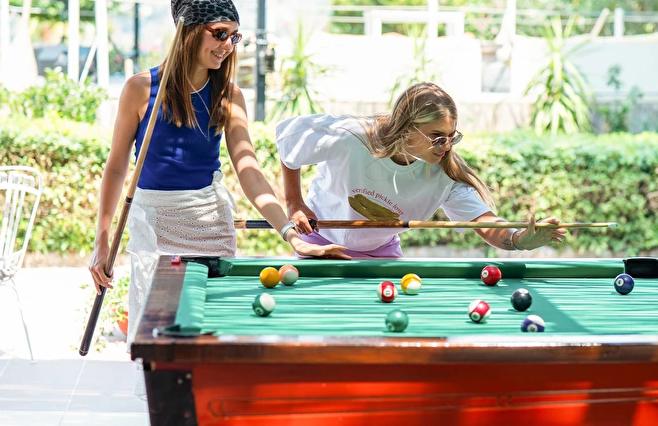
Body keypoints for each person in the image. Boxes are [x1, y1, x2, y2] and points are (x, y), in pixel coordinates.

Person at [87, 0, 347, 400]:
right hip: (153, 226)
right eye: (219, 33)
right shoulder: (141, 88)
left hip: (209, 225)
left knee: (209, 340)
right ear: (188, 30)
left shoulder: (229, 95)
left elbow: (249, 170)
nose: (227, 45)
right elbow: (117, 166)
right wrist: (102, 239)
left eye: (233, 36)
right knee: (160, 341)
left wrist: (290, 233)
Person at [275, 82, 567, 259]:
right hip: (319, 242)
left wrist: (518, 240)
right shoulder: (351, 138)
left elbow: (485, 223)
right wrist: (294, 203)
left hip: (381, 252)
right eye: (437, 137)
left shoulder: (445, 174)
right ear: (406, 130)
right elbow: (290, 144)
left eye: (452, 136)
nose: (446, 146)